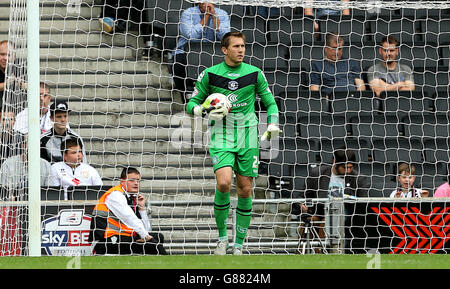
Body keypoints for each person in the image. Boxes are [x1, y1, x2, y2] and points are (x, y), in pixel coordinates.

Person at [186, 31, 281, 255]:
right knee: (223, 183)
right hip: (222, 134)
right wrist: (203, 110)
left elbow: (271, 104)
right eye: (236, 46)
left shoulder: (255, 74)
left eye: (243, 46)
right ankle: (222, 238)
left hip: (248, 135)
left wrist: (272, 124)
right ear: (224, 49)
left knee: (245, 189)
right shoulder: (210, 75)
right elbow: (191, 104)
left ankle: (239, 244)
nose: (241, 50)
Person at [291, 149, 369, 251]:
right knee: (308, 224)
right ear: (334, 163)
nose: (348, 170)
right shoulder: (318, 173)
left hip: (345, 215)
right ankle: (302, 254)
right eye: (345, 167)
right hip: (318, 213)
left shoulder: (358, 179)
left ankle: (321, 256)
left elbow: (363, 204)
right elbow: (302, 195)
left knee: (327, 223)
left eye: (350, 167)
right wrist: (302, 205)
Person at [89, 167, 167, 255]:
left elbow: (146, 229)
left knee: (158, 237)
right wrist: (147, 237)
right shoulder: (115, 195)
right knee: (149, 243)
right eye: (132, 180)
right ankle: (167, 258)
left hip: (123, 237)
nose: (136, 183)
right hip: (106, 240)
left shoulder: (132, 198)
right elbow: (130, 219)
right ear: (122, 182)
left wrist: (142, 208)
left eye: (138, 180)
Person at [172, 2, 230, 101]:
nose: (206, 3)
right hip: (186, 52)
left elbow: (225, 39)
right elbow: (191, 37)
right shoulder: (188, 13)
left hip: (213, 53)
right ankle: (186, 98)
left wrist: (214, 17)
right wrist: (206, 16)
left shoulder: (222, 14)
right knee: (178, 63)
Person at [309, 32, 366, 97]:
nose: (337, 52)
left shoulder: (352, 63)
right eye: (334, 48)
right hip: (330, 100)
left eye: (339, 49)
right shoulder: (317, 65)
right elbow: (314, 89)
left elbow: (361, 86)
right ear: (326, 48)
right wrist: (325, 100)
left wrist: (355, 99)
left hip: (351, 99)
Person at [0, 133, 52, 200]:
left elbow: (49, 192)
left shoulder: (46, 165)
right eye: (31, 143)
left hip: (39, 204)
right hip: (14, 205)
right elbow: (4, 191)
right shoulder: (8, 164)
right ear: (23, 145)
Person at [40, 100, 86, 164]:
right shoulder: (43, 139)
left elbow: (83, 163)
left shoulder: (76, 138)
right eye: (59, 116)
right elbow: (42, 165)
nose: (63, 120)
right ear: (51, 118)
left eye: (65, 116)